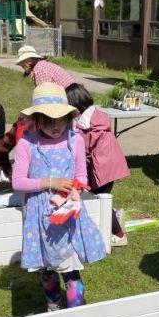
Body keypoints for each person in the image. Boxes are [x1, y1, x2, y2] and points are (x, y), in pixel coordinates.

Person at [10, 83, 107, 311]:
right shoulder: (27, 144)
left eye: (60, 120)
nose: (55, 127)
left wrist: (77, 188)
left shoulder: (75, 140)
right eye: (48, 121)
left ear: (68, 117)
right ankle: (53, 308)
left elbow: (81, 173)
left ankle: (75, 312)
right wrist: (50, 183)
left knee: (71, 267)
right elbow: (18, 182)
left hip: (67, 214)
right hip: (39, 215)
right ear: (36, 119)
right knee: (48, 268)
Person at [65, 84, 130, 246]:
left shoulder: (85, 126)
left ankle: (119, 235)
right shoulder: (95, 116)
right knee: (100, 198)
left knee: (101, 200)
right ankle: (114, 217)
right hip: (108, 166)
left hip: (103, 169)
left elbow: (84, 153)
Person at [15, 45, 82, 98]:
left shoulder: (40, 69)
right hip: (73, 95)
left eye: (24, 61)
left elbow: (44, 96)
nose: (22, 65)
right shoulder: (42, 65)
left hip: (71, 97)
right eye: (21, 62)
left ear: (33, 59)